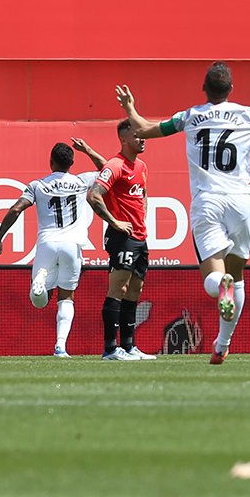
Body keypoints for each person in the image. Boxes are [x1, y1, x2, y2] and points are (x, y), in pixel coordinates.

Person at [115, 68, 250, 364]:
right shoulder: (248, 115)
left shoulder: (191, 116)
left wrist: (129, 108)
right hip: (242, 203)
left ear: (204, 87)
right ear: (231, 88)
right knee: (236, 277)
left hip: (208, 203)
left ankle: (219, 287)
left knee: (215, 276)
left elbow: (144, 129)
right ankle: (222, 344)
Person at [0, 138, 107, 357]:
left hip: (47, 243)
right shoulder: (82, 182)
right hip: (73, 245)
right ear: (72, 162)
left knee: (39, 302)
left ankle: (40, 284)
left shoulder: (38, 185)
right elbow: (108, 169)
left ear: (50, 162)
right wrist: (88, 150)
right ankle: (60, 347)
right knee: (67, 297)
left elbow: (16, 209)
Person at [86, 119, 157, 360]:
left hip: (140, 237)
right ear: (124, 139)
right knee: (118, 288)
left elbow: (144, 194)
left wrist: (142, 216)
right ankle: (110, 349)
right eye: (137, 135)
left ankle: (129, 346)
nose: (142, 139)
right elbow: (93, 195)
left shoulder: (142, 166)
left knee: (135, 290)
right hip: (122, 237)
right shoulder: (115, 165)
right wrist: (114, 222)